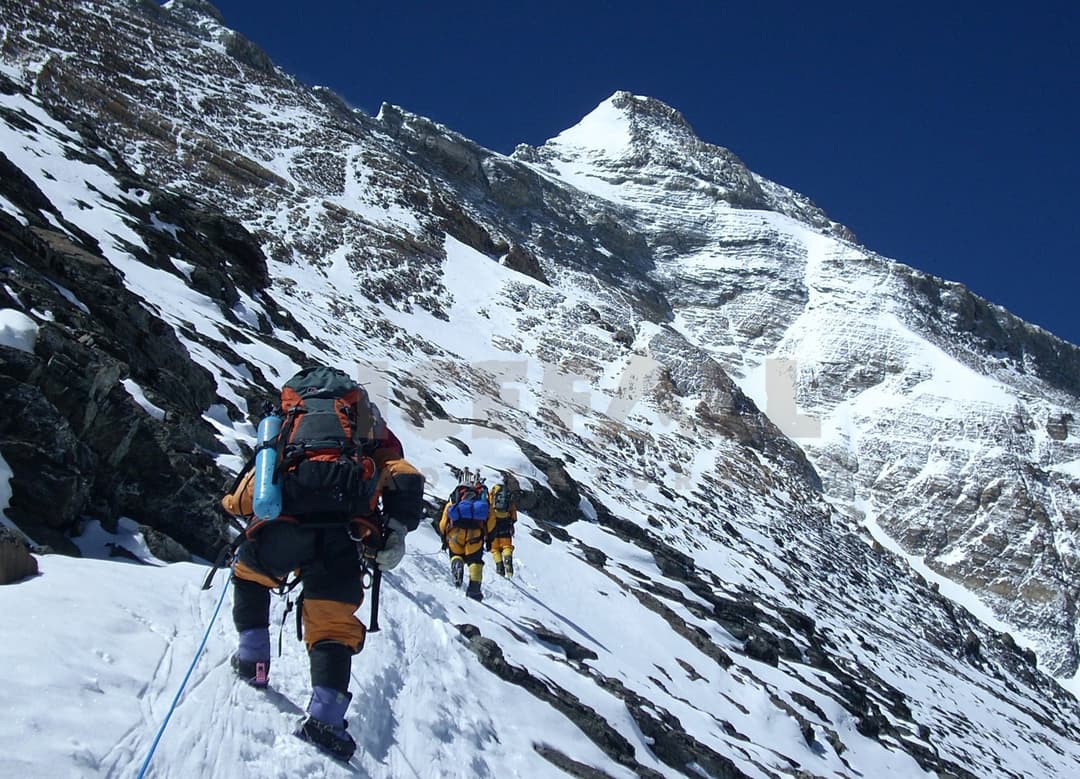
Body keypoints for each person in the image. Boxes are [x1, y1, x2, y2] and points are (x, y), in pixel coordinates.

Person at [221, 366, 425, 761]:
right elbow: (402, 473)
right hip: (343, 533)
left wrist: (233, 506)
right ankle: (326, 721)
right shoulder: (364, 422)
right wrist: (395, 532)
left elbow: (256, 479)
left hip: (284, 524)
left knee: (250, 575)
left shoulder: (287, 421)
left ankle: (254, 661)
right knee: (332, 623)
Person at [438, 471, 494, 601]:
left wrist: (443, 537)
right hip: (475, 535)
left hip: (455, 533)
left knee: (456, 554)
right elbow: (491, 521)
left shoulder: (455, 498)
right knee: (475, 561)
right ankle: (474, 591)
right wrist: (489, 539)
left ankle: (457, 563)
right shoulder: (482, 500)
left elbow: (444, 520)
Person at [486, 481, 517, 577]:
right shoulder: (508, 496)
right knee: (507, 545)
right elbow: (514, 515)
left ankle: (499, 566)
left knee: (495, 548)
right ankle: (507, 558)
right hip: (505, 522)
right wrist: (511, 522)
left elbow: (488, 506)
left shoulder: (492, 494)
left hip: (493, 523)